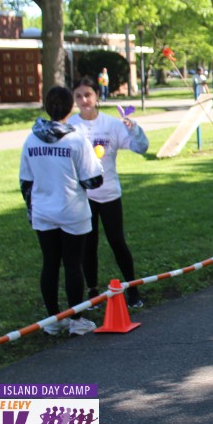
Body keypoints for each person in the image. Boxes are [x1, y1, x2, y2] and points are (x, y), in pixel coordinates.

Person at [19, 85, 103, 336]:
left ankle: (53, 320)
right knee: (73, 264)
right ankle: (76, 319)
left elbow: (25, 182)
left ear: (47, 107)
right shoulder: (77, 139)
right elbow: (93, 181)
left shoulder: (31, 139)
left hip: (43, 210)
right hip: (72, 210)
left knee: (50, 263)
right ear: (70, 108)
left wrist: (34, 207)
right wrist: (97, 161)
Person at [69, 77, 149, 308]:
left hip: (109, 193)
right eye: (78, 96)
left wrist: (135, 130)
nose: (84, 100)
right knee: (88, 244)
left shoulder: (112, 124)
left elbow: (141, 147)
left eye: (88, 95)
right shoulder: (71, 126)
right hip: (83, 197)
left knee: (117, 241)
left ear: (97, 96)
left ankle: (133, 289)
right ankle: (93, 292)